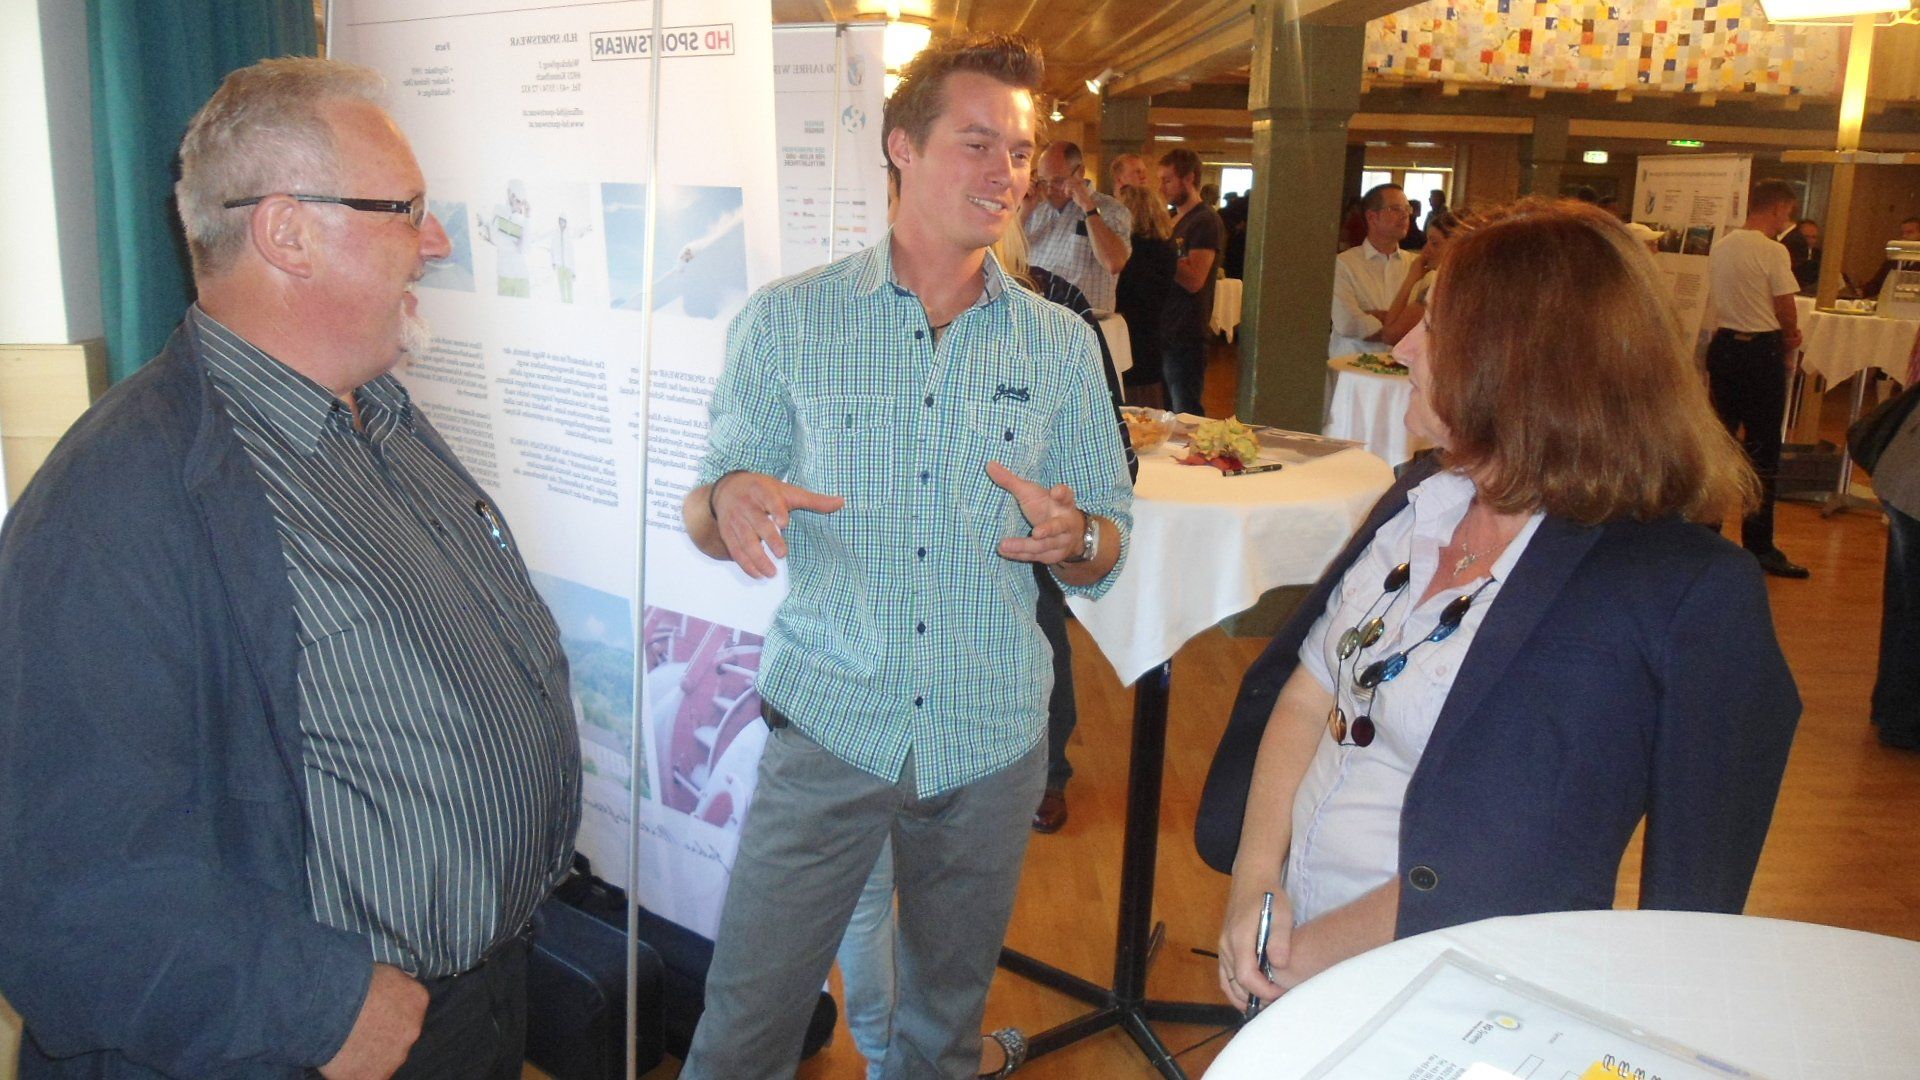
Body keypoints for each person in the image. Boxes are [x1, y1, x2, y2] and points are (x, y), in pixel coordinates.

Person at [0, 58, 582, 1079]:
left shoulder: (380, 417)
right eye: (407, 211)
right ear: (287, 232)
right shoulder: (114, 502)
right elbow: (63, 882)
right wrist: (316, 1004)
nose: (437, 242)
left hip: (479, 1000)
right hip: (317, 1042)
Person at [1197, 199, 1799, 1006]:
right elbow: (1310, 693)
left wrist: (1303, 961)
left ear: (1518, 365)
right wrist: (1256, 885)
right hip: (1292, 938)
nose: (1404, 347)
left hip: (1451, 986)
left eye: (1435, 327)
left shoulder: (1663, 589)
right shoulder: (1423, 497)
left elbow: (1526, 857)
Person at [678, 33, 1132, 1079]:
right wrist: (727, 500)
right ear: (902, 147)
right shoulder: (790, 321)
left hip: (989, 738)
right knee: (745, 1028)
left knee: (940, 1034)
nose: (1005, 173)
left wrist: (1076, 538)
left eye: (1018, 151)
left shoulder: (1060, 345)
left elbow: (1108, 543)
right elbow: (707, 510)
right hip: (832, 721)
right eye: (977, 143)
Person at [1706, 178, 1810, 579]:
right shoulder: (1772, 250)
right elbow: (1785, 305)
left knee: (1720, 443)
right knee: (1764, 449)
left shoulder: (1722, 245)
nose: (1788, 219)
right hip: (1760, 352)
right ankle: (1760, 545)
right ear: (1779, 207)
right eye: (1789, 211)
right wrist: (1791, 337)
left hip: (1725, 347)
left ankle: (1707, 532)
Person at [1022, 139, 1132, 313]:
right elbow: (1006, 258)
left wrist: (1088, 208)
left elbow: (1114, 263)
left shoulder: (1111, 210)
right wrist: (1024, 211)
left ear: (1080, 172)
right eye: (1043, 182)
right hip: (1039, 317)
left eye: (1058, 181)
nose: (1049, 190)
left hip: (1085, 320)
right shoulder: (1037, 210)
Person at [1158, 147, 1225, 414]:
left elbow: (1195, 279)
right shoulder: (1172, 218)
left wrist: (1162, 253)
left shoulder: (1205, 221)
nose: (1162, 188)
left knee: (1185, 412)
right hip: (1165, 328)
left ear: (1189, 179)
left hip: (1186, 333)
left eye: (1168, 180)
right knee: (1164, 412)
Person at [1872, 407, 1920, 751]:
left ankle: (1891, 710)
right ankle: (1903, 722)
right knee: (1912, 612)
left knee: (1905, 606)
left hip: (1902, 475)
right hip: (1911, 487)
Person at [1328, 183, 1420, 358]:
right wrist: (1398, 324)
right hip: (1352, 365)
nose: (1405, 215)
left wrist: (1377, 317)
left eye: (1407, 209)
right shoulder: (1344, 264)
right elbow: (1348, 323)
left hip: (1401, 365)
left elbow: (1425, 323)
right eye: (1395, 209)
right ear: (1372, 217)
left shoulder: (1416, 266)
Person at [1115, 181, 1178, 408]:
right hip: (1154, 329)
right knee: (1150, 398)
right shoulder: (1167, 246)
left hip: (1128, 331)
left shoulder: (1128, 250)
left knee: (1130, 402)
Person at [1859, 217, 1920, 299]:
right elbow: (1878, 282)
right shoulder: (1894, 258)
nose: (1904, 236)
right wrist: (1862, 291)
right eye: (1902, 233)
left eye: (1910, 232)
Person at [1782, 218, 1822, 296]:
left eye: (1813, 237)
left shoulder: (1820, 255)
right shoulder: (1789, 253)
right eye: (1806, 237)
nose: (1810, 240)